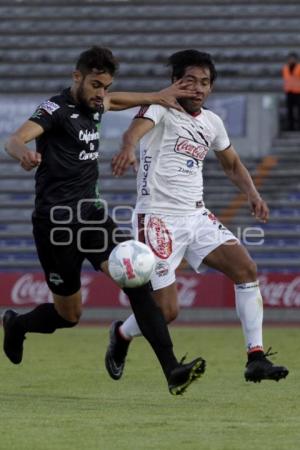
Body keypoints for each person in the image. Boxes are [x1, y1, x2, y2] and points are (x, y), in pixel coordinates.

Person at [2, 46, 206, 396]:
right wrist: (25, 154)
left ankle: (172, 369)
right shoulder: (55, 110)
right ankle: (17, 323)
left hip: (93, 218)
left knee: (138, 283)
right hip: (56, 224)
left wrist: (158, 95)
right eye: (95, 84)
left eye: (106, 86)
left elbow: (120, 100)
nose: (101, 93)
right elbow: (14, 139)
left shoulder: (98, 104)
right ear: (77, 77)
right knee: (69, 315)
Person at [106, 49, 289, 384]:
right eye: (190, 80)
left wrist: (253, 195)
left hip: (196, 216)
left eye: (205, 82)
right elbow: (134, 130)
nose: (198, 88)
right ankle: (121, 334)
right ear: (175, 82)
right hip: (158, 218)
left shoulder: (212, 123)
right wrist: (128, 147)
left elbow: (232, 164)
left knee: (246, 268)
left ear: (211, 88)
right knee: (167, 312)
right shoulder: (161, 108)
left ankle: (256, 357)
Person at [282, 52, 300, 131]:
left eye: (293, 58)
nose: (292, 60)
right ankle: (291, 127)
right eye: (290, 59)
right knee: (289, 110)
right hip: (289, 92)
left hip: (298, 92)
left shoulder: (299, 67)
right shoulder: (285, 68)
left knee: (299, 110)